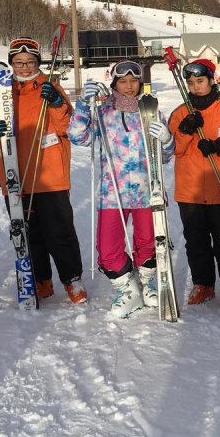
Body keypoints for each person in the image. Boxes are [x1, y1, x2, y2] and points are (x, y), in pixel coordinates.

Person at [0, 37, 86, 304]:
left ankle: (72, 280)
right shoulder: (3, 92)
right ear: (12, 64)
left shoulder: (51, 88)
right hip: (17, 176)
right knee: (29, 234)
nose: (25, 67)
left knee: (60, 233)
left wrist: (55, 104)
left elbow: (67, 128)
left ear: (37, 62)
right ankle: (41, 280)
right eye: (18, 63)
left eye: (29, 62)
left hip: (50, 176)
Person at [68, 61, 175, 318]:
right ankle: (128, 288)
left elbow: (165, 156)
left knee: (148, 242)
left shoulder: (151, 111)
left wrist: (167, 140)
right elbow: (77, 136)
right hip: (112, 193)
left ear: (140, 83)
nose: (129, 87)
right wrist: (83, 105)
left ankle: (148, 283)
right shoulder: (103, 113)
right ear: (114, 83)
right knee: (107, 248)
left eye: (133, 81)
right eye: (123, 81)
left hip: (147, 191)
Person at [167, 58, 220, 305]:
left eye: (200, 81)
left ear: (212, 80)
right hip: (190, 191)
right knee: (196, 242)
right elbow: (174, 149)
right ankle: (202, 284)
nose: (196, 87)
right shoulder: (181, 113)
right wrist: (185, 130)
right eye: (191, 83)